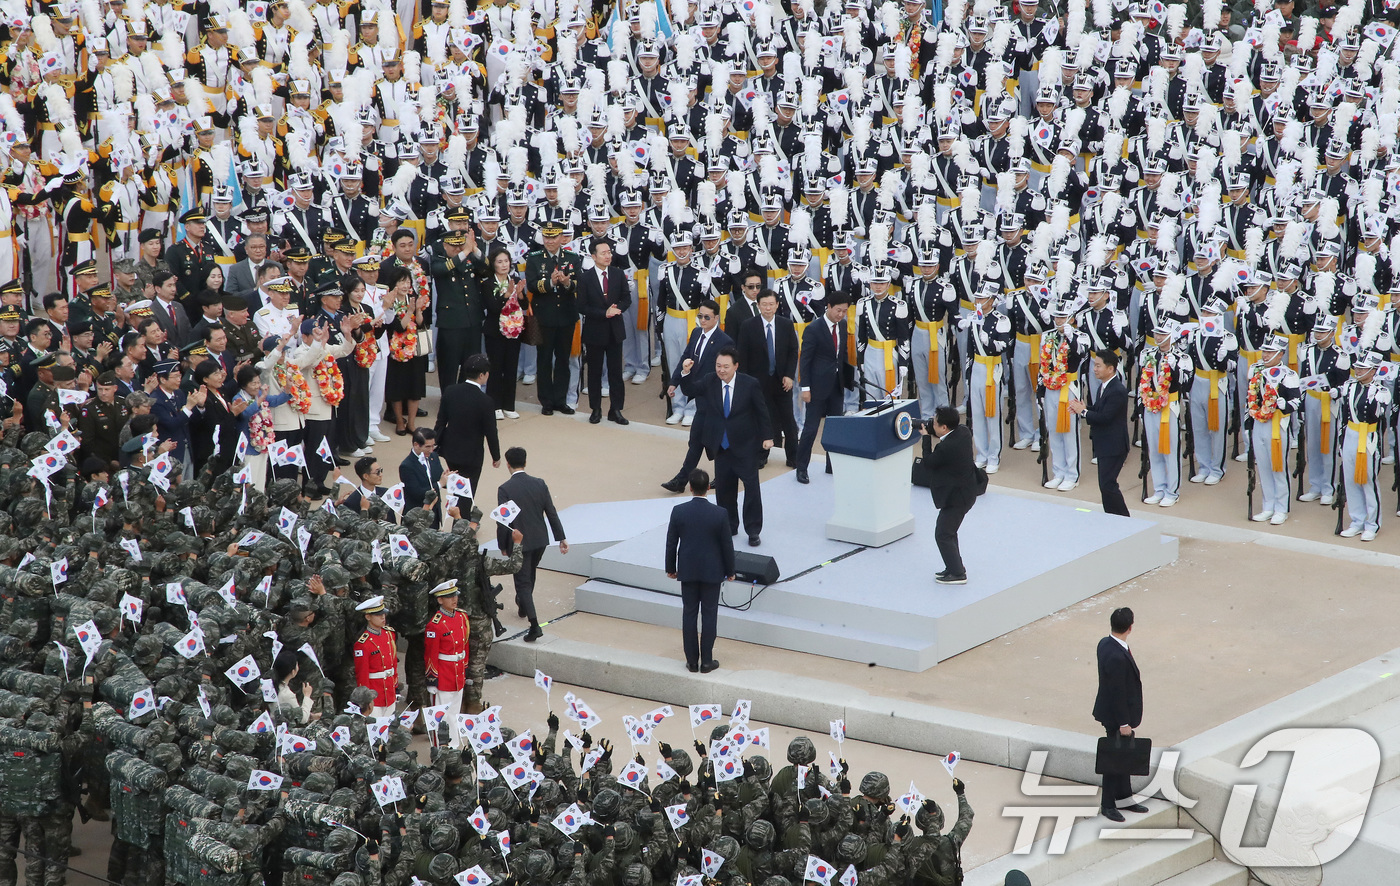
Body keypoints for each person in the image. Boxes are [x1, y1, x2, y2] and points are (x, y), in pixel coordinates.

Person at [680, 345, 773, 545]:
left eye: (726, 366)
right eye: (718, 366)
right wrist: (685, 372)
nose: (721, 370)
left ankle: (753, 530)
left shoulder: (750, 384)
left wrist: (767, 436)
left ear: (736, 366)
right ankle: (729, 527)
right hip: (721, 447)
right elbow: (689, 389)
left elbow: (762, 411)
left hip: (745, 446)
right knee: (724, 491)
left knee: (752, 490)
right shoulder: (710, 381)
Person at [665, 468, 735, 673]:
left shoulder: (679, 511)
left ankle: (692, 661)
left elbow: (671, 544)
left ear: (690, 487)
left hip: (687, 570)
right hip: (712, 572)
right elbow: (727, 546)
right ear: (708, 488)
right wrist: (730, 570)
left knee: (689, 614)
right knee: (709, 615)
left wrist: (670, 567)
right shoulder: (720, 513)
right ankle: (707, 661)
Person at [497, 446, 568, 642]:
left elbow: (503, 521)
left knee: (523, 581)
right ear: (525, 463)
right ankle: (523, 602)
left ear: (508, 464)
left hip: (519, 542)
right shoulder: (540, 484)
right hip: (539, 540)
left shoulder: (505, 489)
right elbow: (551, 512)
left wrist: (503, 545)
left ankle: (534, 625)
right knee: (530, 572)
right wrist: (561, 538)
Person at [661, 299, 733, 492]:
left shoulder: (724, 341)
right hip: (700, 398)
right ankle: (681, 481)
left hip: (716, 400)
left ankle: (723, 476)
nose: (702, 320)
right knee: (696, 441)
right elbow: (685, 358)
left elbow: (727, 372)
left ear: (716, 318)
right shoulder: (695, 334)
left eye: (706, 317)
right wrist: (674, 381)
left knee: (716, 441)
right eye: (699, 316)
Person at [1092, 606, 1147, 823]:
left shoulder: (1105, 644)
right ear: (1130, 627)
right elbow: (1117, 692)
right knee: (1114, 760)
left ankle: (1124, 797)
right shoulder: (1117, 656)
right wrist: (1124, 722)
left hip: (1110, 711)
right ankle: (1108, 804)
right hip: (1116, 716)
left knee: (1121, 756)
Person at [735, 289, 799, 469]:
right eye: (764, 304)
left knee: (789, 421)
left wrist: (789, 375)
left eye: (771, 304)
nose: (768, 308)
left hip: (782, 382)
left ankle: (794, 457)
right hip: (758, 383)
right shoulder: (748, 326)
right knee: (763, 420)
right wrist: (746, 383)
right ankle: (762, 456)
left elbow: (793, 352)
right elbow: (743, 356)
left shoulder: (786, 325)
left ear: (777, 305)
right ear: (758, 305)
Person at [795, 294, 854, 484]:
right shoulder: (813, 329)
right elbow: (805, 361)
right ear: (828, 307)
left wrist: (847, 379)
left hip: (836, 385)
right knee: (811, 429)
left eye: (844, 311)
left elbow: (842, 354)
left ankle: (832, 465)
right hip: (816, 387)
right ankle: (801, 468)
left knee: (835, 428)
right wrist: (805, 388)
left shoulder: (843, 325)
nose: (841, 315)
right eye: (838, 310)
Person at [525, 221, 581, 415]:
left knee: (563, 360)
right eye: (546, 237)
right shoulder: (534, 259)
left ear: (561, 238)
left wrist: (566, 283)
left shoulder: (572, 258)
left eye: (554, 237)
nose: (550, 241)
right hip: (544, 317)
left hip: (566, 316)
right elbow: (532, 285)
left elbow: (578, 284)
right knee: (545, 359)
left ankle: (561, 399)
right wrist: (550, 282)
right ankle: (546, 401)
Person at [919, 406, 978, 585]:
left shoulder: (946, 448)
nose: (932, 424)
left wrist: (926, 437)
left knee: (943, 534)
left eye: (935, 423)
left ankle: (958, 573)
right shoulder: (963, 432)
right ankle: (954, 567)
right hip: (966, 491)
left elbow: (928, 463)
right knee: (949, 532)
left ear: (944, 427)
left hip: (957, 497)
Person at [434, 353, 500, 507]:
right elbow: (491, 432)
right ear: (482, 375)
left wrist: (433, 444)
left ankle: (456, 514)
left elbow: (441, 421)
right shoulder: (486, 401)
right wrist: (496, 456)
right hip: (472, 455)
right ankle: (461, 522)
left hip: (451, 451)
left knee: (455, 487)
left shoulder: (450, 391)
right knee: (467, 492)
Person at [1071, 351, 1131, 517]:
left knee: (1108, 484)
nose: (1094, 369)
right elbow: (1099, 409)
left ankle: (1122, 517)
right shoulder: (1104, 387)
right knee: (1105, 484)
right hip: (1105, 444)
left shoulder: (1117, 390)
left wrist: (1083, 412)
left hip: (1114, 446)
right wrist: (1084, 408)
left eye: (1098, 366)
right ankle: (1112, 516)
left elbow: (1105, 417)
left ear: (1110, 369)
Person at [578, 238, 631, 425]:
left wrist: (618, 309)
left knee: (616, 372)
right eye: (603, 253)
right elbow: (582, 306)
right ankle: (596, 409)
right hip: (595, 331)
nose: (608, 256)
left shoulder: (618, 274)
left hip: (615, 331)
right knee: (594, 372)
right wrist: (604, 313)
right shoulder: (585, 278)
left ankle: (616, 409)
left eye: (609, 252)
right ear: (593, 256)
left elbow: (627, 298)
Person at [481, 245, 527, 419]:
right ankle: (495, 405)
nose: (504, 265)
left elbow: (525, 306)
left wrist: (520, 294)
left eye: (506, 261)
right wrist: (506, 294)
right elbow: (492, 307)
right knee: (496, 367)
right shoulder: (487, 283)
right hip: (495, 331)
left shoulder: (515, 279)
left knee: (511, 367)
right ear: (493, 264)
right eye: (499, 262)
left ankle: (509, 404)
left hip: (514, 331)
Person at [423, 579, 468, 748]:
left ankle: (454, 748)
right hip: (443, 675)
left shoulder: (462, 617)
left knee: (454, 715)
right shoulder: (435, 625)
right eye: (448, 596)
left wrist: (463, 669)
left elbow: (465, 646)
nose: (454, 599)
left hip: (457, 675)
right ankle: (440, 751)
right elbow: (430, 655)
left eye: (455, 595)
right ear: (440, 600)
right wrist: (432, 679)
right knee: (441, 718)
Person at [353, 595, 400, 719]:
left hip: (389, 691)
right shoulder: (363, 643)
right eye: (378, 615)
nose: (382, 617)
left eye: (383, 614)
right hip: (374, 693)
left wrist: (395, 686)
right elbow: (362, 673)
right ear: (368, 617)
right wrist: (366, 698)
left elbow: (393, 663)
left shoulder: (389, 634)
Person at [400, 428, 446, 524]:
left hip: (434, 513)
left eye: (433, 446)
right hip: (417, 517)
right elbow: (417, 492)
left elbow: (440, 477)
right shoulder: (407, 466)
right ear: (416, 445)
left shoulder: (434, 456)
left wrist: (449, 479)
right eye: (427, 447)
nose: (431, 450)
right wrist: (439, 484)